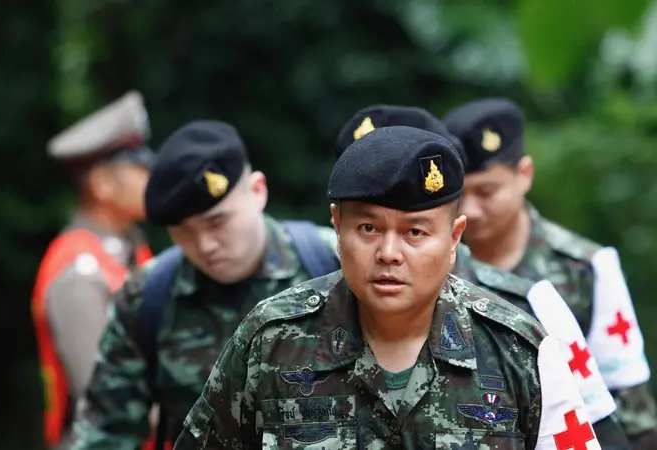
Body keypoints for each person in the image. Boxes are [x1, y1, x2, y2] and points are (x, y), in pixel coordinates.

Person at [174, 125, 601, 449]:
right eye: (367, 228)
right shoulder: (272, 341)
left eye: (415, 232)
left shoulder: (519, 352)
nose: (389, 253)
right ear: (336, 227)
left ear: (454, 239)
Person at [334, 104, 630, 446]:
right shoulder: (290, 328)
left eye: (412, 222)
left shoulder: (526, 313)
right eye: (368, 221)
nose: (388, 250)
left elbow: (604, 431)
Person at [70, 120, 341, 450]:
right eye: (184, 230)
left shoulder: (335, 265)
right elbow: (106, 433)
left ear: (257, 191)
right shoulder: (149, 296)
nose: (206, 244)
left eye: (218, 222)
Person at [443, 98, 657, 449]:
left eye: (487, 191)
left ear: (524, 174)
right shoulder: (433, 266)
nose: (471, 209)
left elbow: (629, 405)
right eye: (460, 194)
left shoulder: (585, 267)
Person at [32, 91, 155, 449]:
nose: (151, 177)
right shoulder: (77, 274)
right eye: (139, 168)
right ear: (102, 184)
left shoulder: (132, 250)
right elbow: (108, 400)